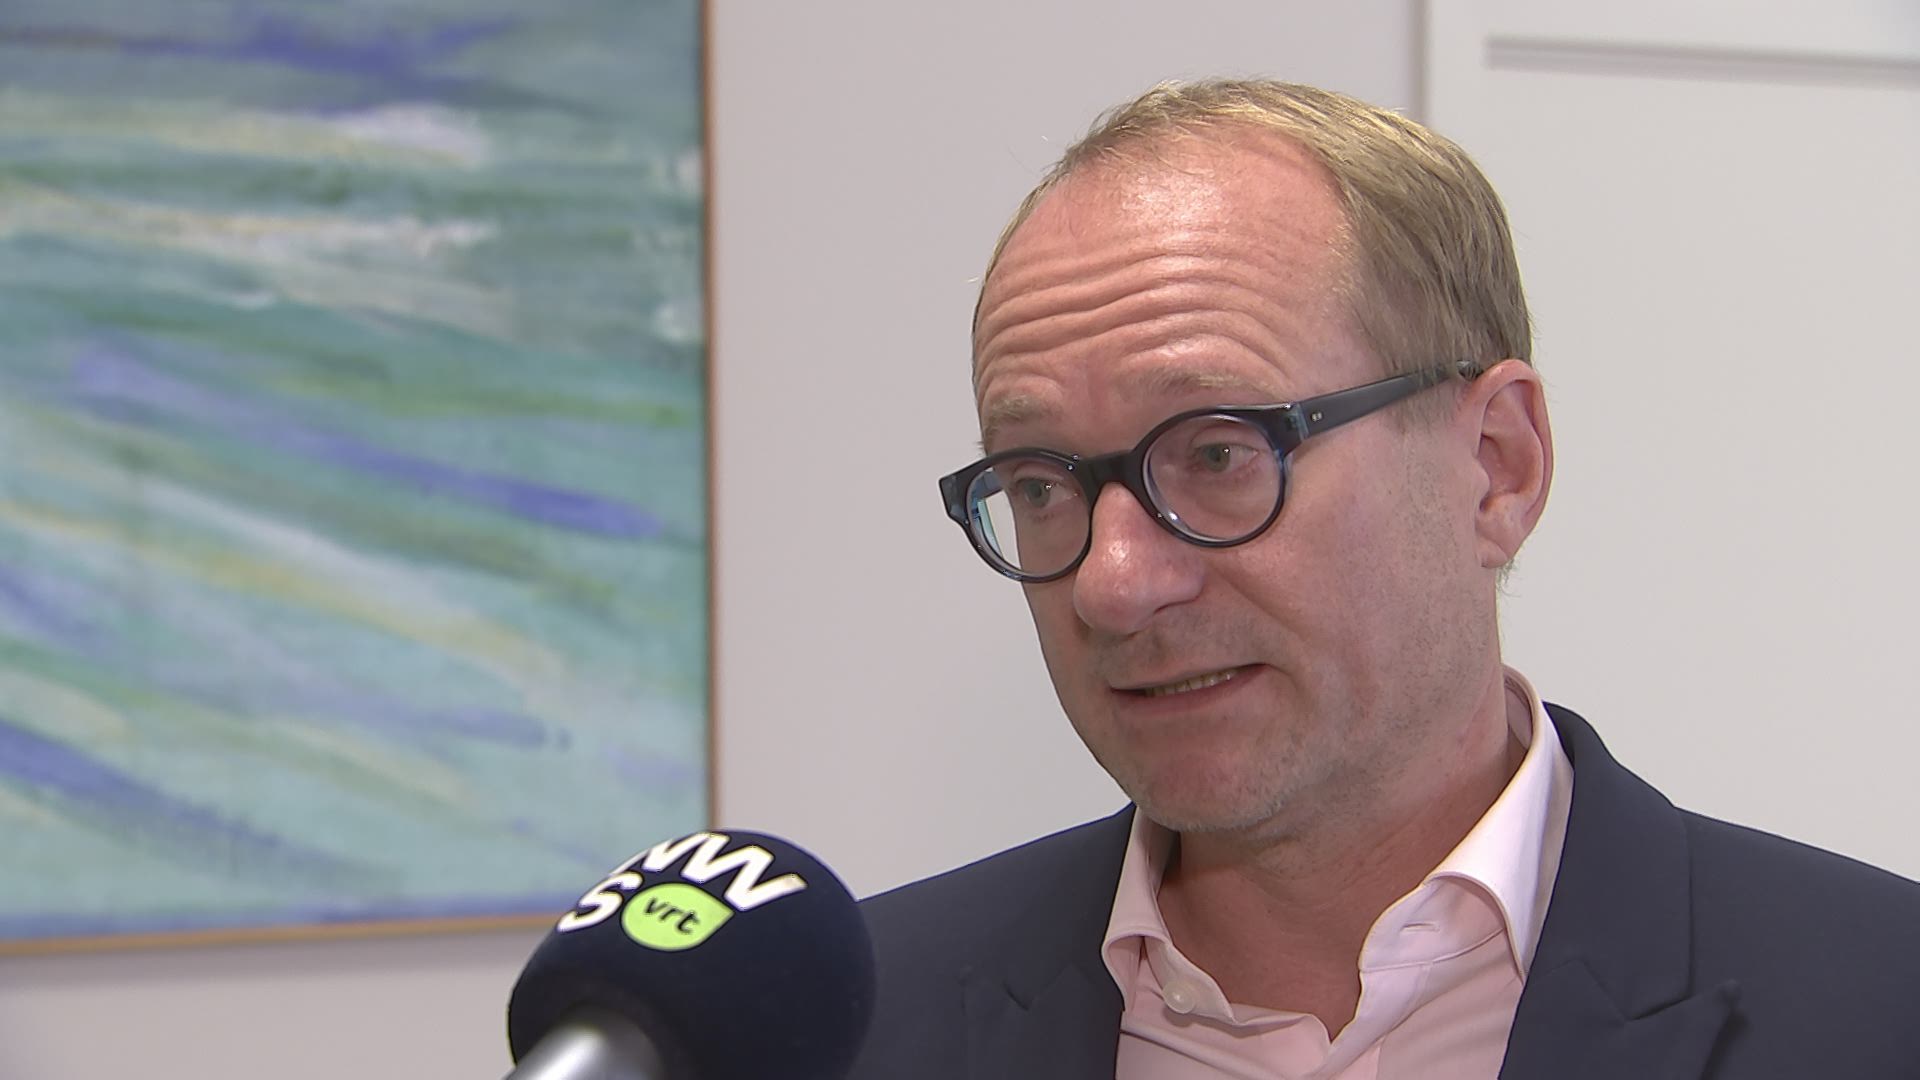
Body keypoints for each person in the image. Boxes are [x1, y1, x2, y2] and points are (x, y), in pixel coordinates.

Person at [844, 79, 1920, 1079]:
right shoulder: (848, 1026)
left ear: (1496, 466)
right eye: (1039, 486)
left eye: (1218, 453)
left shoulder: (1879, 1007)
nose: (1113, 586)